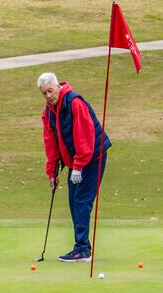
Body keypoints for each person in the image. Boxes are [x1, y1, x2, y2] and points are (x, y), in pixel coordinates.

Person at [38, 72, 111, 262]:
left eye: (50, 91)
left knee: (81, 202)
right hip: (76, 161)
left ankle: (82, 250)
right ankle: (83, 247)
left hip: (94, 156)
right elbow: (51, 144)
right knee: (73, 201)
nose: (48, 96)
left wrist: (78, 166)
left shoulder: (74, 103)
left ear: (57, 87)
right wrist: (52, 172)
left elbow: (84, 137)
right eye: (44, 93)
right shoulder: (48, 113)